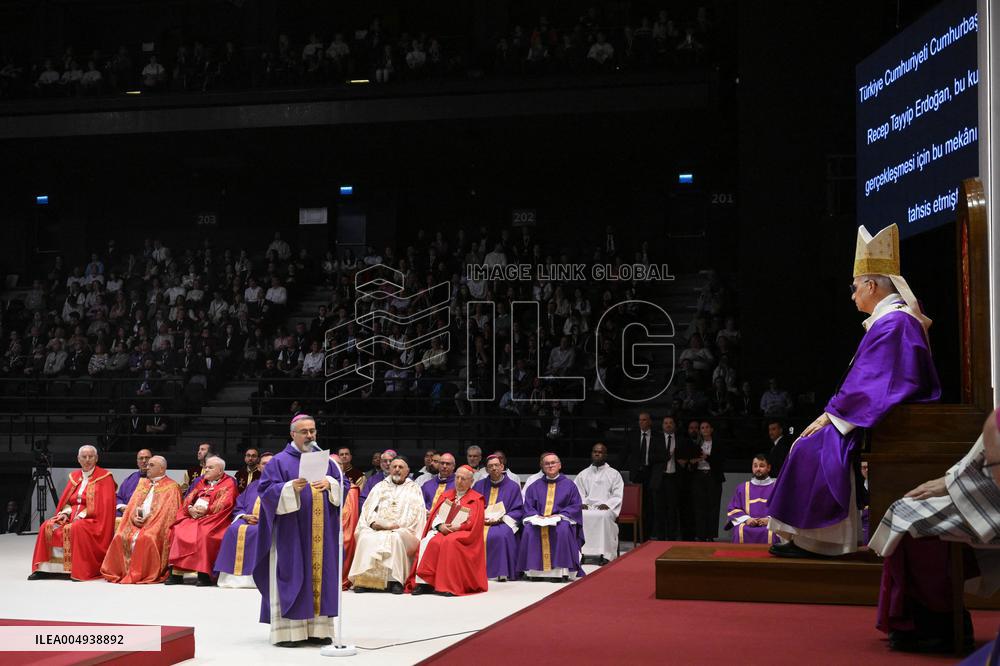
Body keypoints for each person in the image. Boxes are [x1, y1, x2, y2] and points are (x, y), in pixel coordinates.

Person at [769, 224, 940, 558]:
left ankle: (821, 543)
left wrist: (834, 415)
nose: (852, 296)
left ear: (871, 285)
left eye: (855, 288)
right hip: (873, 414)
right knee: (809, 442)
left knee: (812, 447)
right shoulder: (892, 320)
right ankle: (812, 539)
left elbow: (877, 381)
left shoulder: (894, 322)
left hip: (886, 419)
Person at [869, 407, 1000, 653]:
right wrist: (953, 480)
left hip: (991, 495)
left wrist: (952, 483)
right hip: (983, 488)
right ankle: (927, 619)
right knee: (905, 509)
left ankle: (939, 621)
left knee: (913, 522)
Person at [252, 415, 347, 647]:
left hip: (320, 534)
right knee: (292, 574)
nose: (310, 436)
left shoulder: (327, 461)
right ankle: (289, 633)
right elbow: (265, 493)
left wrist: (331, 484)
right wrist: (288, 488)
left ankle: (318, 630)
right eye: (304, 431)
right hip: (290, 533)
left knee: (321, 577)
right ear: (292, 434)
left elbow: (342, 485)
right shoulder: (279, 461)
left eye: (313, 431)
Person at [30, 444, 116, 581]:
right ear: (78, 459)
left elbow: (102, 507)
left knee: (76, 528)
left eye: (91, 457)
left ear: (96, 458)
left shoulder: (105, 477)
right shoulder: (74, 477)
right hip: (71, 516)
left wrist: (81, 516)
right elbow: (68, 501)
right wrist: (65, 513)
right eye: (84, 457)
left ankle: (77, 570)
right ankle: (45, 569)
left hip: (94, 520)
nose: (87, 460)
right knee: (47, 525)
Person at [349, 456, 425, 594]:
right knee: (366, 537)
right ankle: (364, 581)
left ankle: (395, 580)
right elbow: (368, 509)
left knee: (395, 538)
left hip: (401, 529)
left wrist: (395, 526)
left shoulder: (414, 489)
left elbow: (416, 515)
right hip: (378, 527)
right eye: (394, 467)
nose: (397, 470)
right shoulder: (379, 486)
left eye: (401, 467)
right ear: (389, 469)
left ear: (407, 471)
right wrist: (374, 523)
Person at [101, 455, 182, 584]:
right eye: (147, 464)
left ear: (161, 469)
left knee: (148, 538)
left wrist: (148, 522)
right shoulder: (142, 483)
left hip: (156, 525)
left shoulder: (172, 487)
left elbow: (169, 513)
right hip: (136, 522)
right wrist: (134, 517)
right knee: (120, 536)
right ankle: (122, 572)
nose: (147, 467)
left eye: (151, 465)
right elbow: (132, 506)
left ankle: (143, 573)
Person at [409, 465, 488, 596]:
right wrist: (440, 526)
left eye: (463, 479)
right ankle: (424, 583)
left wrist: (459, 528)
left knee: (450, 542)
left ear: (471, 482)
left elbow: (474, 522)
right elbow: (435, 515)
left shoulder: (476, 499)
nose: (459, 481)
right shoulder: (446, 495)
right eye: (457, 477)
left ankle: (448, 585)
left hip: (464, 534)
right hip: (444, 530)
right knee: (429, 541)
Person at [166, 456, 238, 586]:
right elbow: (189, 497)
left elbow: (226, 503)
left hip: (216, 519)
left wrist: (206, 510)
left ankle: (204, 574)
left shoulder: (229, 483)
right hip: (194, 516)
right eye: (206, 467)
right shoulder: (201, 481)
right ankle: (175, 574)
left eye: (210, 467)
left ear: (220, 471)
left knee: (204, 534)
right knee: (178, 529)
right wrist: (190, 508)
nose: (206, 470)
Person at [517, 453, 585, 581]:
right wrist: (536, 517)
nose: (550, 466)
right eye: (547, 464)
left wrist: (560, 516)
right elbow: (528, 506)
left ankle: (560, 572)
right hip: (539, 520)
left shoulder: (570, 485)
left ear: (559, 465)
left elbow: (575, 506)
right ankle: (534, 572)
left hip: (560, 520)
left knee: (563, 529)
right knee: (529, 529)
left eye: (553, 463)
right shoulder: (534, 486)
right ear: (542, 467)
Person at [214, 452, 273, 588]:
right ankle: (231, 578)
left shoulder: (281, 485)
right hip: (247, 519)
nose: (268, 466)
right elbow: (239, 504)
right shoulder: (253, 486)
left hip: (269, 522)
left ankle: (256, 578)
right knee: (233, 529)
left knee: (257, 532)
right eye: (264, 463)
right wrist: (244, 516)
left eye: (271, 463)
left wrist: (263, 518)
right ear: (259, 467)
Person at [473, 454, 524, 581]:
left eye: (496, 465)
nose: (494, 468)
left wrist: (502, 519)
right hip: (481, 521)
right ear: (486, 469)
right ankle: (474, 572)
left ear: (502, 467)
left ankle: (501, 572)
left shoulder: (513, 486)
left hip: (503, 522)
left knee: (501, 535)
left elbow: (518, 509)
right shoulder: (479, 485)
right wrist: (479, 516)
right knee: (472, 534)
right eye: (490, 466)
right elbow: (472, 504)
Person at [575, 443, 624, 563]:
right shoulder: (583, 474)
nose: (597, 454)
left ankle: (606, 554)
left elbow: (617, 495)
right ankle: (582, 553)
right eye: (595, 451)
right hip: (587, 507)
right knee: (580, 515)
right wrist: (582, 503)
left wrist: (608, 505)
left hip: (606, 508)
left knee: (603, 516)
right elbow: (577, 492)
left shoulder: (614, 474)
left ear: (605, 455)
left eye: (600, 452)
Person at [623, 412, 668, 539]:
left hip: (652, 473)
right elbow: (625, 453)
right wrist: (616, 469)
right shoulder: (632, 435)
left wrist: (652, 459)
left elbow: (663, 455)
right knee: (638, 504)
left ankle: (650, 533)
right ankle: (637, 534)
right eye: (640, 420)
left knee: (651, 504)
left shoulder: (658, 436)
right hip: (637, 473)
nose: (641, 422)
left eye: (644, 420)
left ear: (650, 422)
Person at [724, 454, 779, 545]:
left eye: (761, 466)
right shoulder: (742, 487)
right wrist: (747, 519)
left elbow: (783, 508)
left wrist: (769, 520)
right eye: (755, 465)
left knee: (773, 533)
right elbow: (733, 508)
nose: (758, 469)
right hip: (747, 523)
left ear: (768, 468)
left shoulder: (776, 487)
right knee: (739, 531)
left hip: (770, 524)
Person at [691, 421, 726, 542]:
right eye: (702, 428)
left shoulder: (718, 444)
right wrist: (694, 460)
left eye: (707, 427)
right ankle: (701, 535)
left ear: (711, 429)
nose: (704, 429)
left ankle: (711, 536)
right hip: (699, 476)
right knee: (700, 506)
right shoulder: (696, 443)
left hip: (713, 476)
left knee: (713, 506)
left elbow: (721, 460)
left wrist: (708, 457)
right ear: (700, 430)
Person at [115, 448, 152, 516]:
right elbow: (119, 497)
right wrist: (122, 507)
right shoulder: (129, 480)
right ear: (137, 462)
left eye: (147, 458)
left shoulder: (157, 480)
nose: (144, 461)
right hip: (127, 515)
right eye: (141, 458)